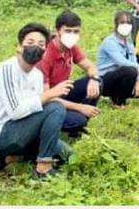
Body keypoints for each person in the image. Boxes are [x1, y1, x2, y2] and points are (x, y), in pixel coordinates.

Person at [0, 23, 74, 179]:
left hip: (25, 130)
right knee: (56, 107)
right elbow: (16, 112)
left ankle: (9, 158)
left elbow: (37, 109)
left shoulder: (37, 75)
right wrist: (49, 94)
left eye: (41, 44)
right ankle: (43, 167)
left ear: (45, 51)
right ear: (19, 47)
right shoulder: (7, 69)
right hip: (2, 133)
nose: (35, 47)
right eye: (30, 42)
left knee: (66, 154)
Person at [37, 10, 101, 138]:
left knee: (97, 82)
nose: (72, 35)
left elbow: (90, 66)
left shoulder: (71, 47)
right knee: (77, 119)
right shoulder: (45, 56)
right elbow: (46, 97)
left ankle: (79, 127)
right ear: (57, 31)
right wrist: (80, 107)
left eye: (76, 31)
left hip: (63, 92)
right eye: (68, 31)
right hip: (47, 102)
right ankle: (73, 123)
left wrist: (94, 79)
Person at [97, 11, 139, 108]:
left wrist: (138, 81)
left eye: (128, 23)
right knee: (130, 70)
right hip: (105, 80)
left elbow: (133, 62)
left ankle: (117, 94)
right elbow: (121, 62)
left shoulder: (129, 43)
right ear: (116, 24)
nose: (126, 25)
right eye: (122, 22)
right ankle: (119, 102)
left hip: (124, 77)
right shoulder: (110, 42)